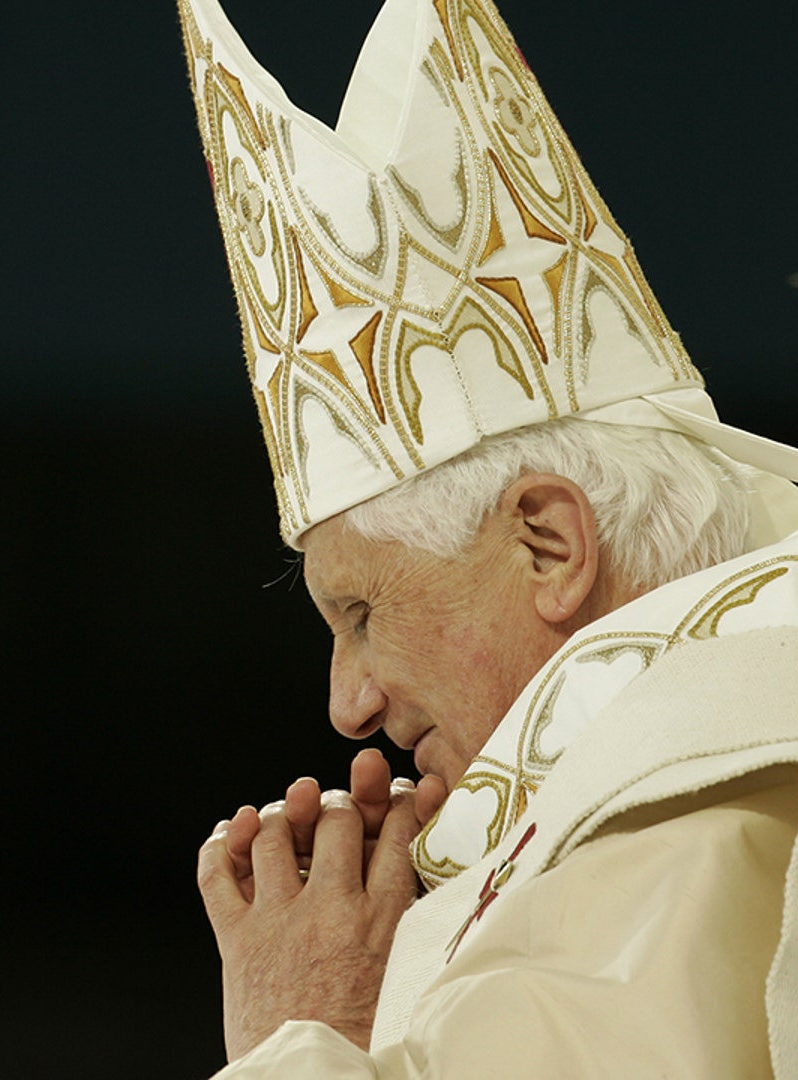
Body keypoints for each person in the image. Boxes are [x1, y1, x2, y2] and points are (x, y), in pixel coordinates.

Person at [176, 0, 798, 1073]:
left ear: (549, 544)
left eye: (362, 612)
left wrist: (301, 1026)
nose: (349, 704)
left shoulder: (665, 863)